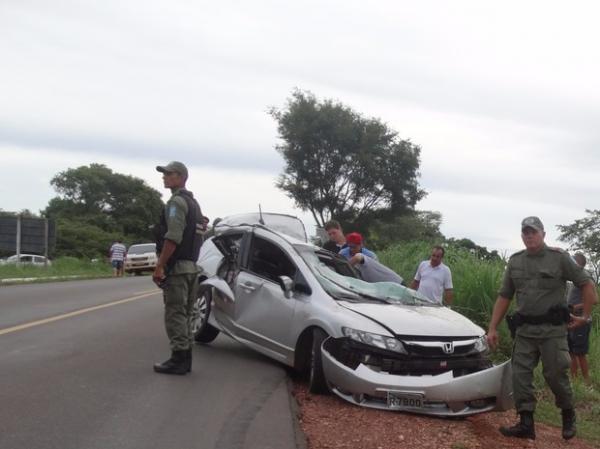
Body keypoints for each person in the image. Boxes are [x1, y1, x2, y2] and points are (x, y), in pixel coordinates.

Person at [486, 216, 597, 441]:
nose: (529, 236)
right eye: (525, 232)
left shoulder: (559, 258)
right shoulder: (516, 261)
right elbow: (505, 295)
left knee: (555, 375)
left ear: (543, 234)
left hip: (552, 331)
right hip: (525, 330)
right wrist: (492, 328)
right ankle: (526, 422)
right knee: (520, 376)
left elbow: (587, 284)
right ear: (522, 236)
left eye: (533, 232)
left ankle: (568, 414)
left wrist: (585, 316)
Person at [152, 161, 207, 375]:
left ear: (181, 177)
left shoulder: (176, 203)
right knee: (185, 314)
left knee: (175, 313)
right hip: (192, 267)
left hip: (179, 268)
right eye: (164, 174)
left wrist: (160, 266)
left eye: (169, 173)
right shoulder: (194, 204)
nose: (164, 177)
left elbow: (173, 237)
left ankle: (179, 359)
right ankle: (185, 358)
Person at [567, 252, 593, 385]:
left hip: (582, 320)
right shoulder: (574, 280)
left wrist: (577, 307)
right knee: (571, 352)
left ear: (578, 264)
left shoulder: (585, 278)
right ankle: (575, 381)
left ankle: (587, 383)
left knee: (580, 353)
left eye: (573, 261)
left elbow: (595, 299)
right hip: (571, 319)